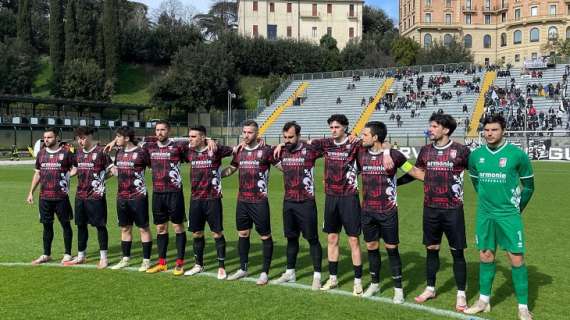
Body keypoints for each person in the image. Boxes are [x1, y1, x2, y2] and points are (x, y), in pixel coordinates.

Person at [398, 114, 471, 311]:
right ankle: (430, 288)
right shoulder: (425, 150)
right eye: (430, 126)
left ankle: (461, 294)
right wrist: (394, 183)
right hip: (430, 209)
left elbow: (477, 173)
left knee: (457, 252)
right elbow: (416, 173)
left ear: (446, 130)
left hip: (453, 210)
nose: (430, 129)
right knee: (431, 249)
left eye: (434, 126)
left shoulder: (461, 151)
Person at [464, 115, 535, 320]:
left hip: (508, 215)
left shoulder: (517, 154)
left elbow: (529, 186)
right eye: (486, 130)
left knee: (516, 258)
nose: (489, 134)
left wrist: (517, 208)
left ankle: (522, 307)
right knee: (485, 255)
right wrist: (488, 202)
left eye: (494, 130)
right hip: (485, 214)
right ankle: (483, 301)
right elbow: (477, 184)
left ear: (503, 130)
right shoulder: (476, 156)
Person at [356, 121, 424, 302]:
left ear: (375, 137)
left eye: (365, 135)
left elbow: (415, 173)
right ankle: (375, 284)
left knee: (391, 249)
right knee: (371, 247)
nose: (362, 138)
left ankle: (398, 289)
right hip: (367, 211)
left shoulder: (395, 155)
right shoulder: (361, 154)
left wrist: (398, 183)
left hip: (387, 211)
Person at [270, 122, 324, 290]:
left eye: (290, 137)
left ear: (298, 136)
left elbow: (332, 146)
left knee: (312, 239)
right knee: (291, 239)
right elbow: (268, 155)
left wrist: (309, 141)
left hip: (306, 202)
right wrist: (279, 145)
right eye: (284, 137)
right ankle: (290, 272)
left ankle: (317, 276)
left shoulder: (310, 150)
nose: (287, 140)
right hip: (289, 201)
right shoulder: (282, 151)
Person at [221, 120, 275, 285]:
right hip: (242, 201)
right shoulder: (240, 151)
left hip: (259, 201)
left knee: (265, 236)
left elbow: (281, 165)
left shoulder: (266, 151)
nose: (246, 135)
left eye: (250, 132)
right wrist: (217, 175)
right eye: (244, 132)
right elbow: (232, 168)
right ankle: (243, 268)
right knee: (243, 234)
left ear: (257, 134)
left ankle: (265, 272)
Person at [184, 125, 234, 280]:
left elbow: (238, 150)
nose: (190, 139)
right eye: (189, 136)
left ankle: (221, 267)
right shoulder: (187, 151)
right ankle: (198, 265)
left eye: (193, 136)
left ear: (202, 137)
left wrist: (227, 171)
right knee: (197, 233)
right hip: (195, 199)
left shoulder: (216, 149)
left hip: (213, 199)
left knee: (216, 232)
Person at [142, 120, 189, 276]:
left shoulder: (178, 146)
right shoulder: (149, 147)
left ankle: (180, 263)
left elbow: (195, 143)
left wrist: (209, 140)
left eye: (163, 130)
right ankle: (162, 263)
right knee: (160, 228)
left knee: (177, 226)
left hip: (174, 192)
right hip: (157, 193)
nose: (159, 132)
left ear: (169, 131)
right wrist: (115, 140)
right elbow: (132, 142)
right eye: (157, 130)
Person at [65, 127, 113, 268]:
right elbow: (75, 169)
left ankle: (103, 257)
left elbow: (111, 170)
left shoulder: (101, 152)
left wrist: (101, 180)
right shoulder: (77, 153)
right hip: (80, 195)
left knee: (100, 226)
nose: (80, 141)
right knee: (80, 225)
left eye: (83, 137)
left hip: (96, 196)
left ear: (90, 136)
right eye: (78, 138)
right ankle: (81, 256)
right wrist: (66, 174)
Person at [108, 126, 153, 271]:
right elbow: (117, 171)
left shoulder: (141, 152)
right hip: (122, 196)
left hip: (138, 196)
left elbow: (153, 166)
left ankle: (146, 260)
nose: (116, 140)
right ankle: (125, 259)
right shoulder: (119, 153)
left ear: (126, 138)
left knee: (143, 228)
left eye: (118, 137)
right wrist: (111, 170)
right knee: (125, 228)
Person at [27, 128, 75, 265]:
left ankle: (67, 254)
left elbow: (76, 168)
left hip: (61, 197)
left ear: (57, 138)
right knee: (47, 226)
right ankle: (46, 254)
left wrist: (68, 176)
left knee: (65, 225)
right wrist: (31, 192)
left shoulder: (66, 154)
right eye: (45, 137)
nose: (46, 140)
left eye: (49, 137)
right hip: (44, 197)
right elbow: (37, 174)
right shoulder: (41, 154)